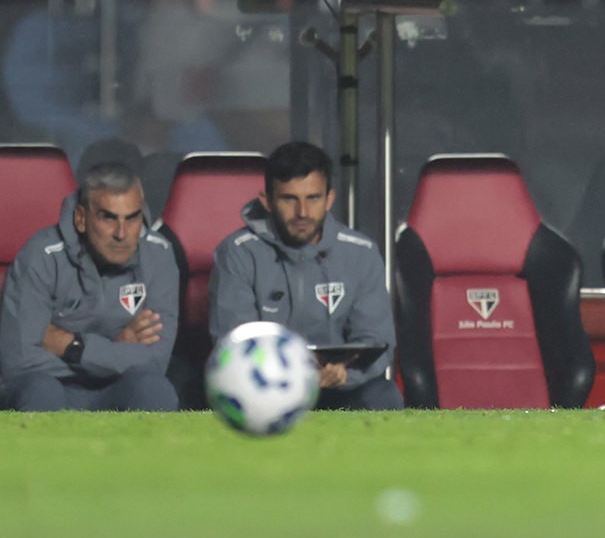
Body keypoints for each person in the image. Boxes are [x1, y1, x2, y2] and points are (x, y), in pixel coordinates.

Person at [209, 141, 402, 410]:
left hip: (340, 386)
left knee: (383, 395)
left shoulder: (362, 252)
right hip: (266, 390)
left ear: (329, 199)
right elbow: (234, 344)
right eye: (289, 199)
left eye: (313, 198)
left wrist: (344, 373)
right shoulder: (237, 253)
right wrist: (294, 374)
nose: (302, 212)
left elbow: (377, 340)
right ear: (267, 200)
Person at [0, 162, 179, 412]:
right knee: (41, 391)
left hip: (115, 388)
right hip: (49, 385)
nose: (121, 233)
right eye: (108, 217)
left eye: (132, 218)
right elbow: (18, 362)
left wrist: (73, 348)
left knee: (155, 390)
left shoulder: (158, 254)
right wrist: (117, 350)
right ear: (81, 219)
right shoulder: (41, 255)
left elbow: (155, 361)